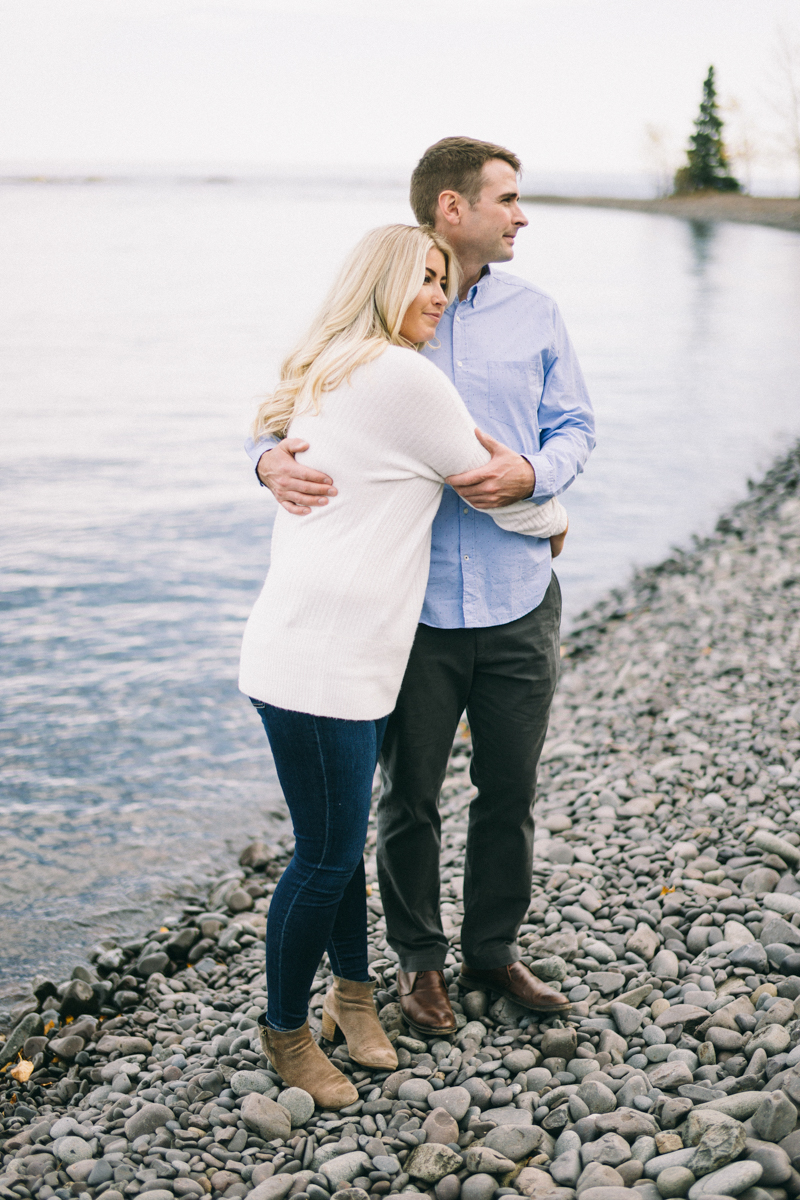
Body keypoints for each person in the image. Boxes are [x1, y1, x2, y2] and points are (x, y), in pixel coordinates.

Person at [249, 136, 595, 1038]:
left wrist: (535, 473)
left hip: (519, 598)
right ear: (452, 206)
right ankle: (419, 965)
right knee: (409, 800)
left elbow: (577, 427)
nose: (522, 216)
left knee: (510, 789)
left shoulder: (536, 311)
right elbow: (291, 404)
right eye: (507, 198)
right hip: (417, 611)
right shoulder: (386, 317)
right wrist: (263, 462)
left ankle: (493, 950)